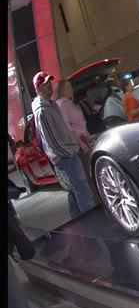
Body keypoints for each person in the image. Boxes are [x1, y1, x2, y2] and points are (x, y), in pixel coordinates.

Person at [31, 72, 95, 219]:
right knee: (83, 192)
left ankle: (77, 223)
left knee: (74, 192)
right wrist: (70, 152)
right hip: (65, 158)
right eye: (45, 83)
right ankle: (93, 221)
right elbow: (52, 141)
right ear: (38, 87)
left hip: (66, 155)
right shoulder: (43, 111)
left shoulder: (52, 104)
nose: (49, 85)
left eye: (49, 82)